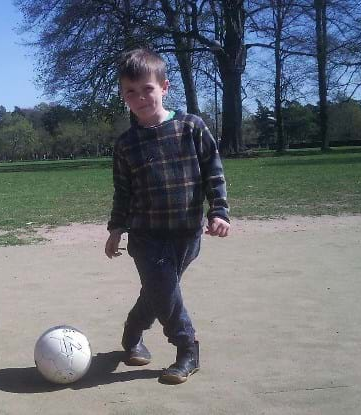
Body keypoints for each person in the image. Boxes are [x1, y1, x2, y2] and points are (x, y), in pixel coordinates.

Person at [104, 48, 230, 384]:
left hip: (187, 233)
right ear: (123, 96)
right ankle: (187, 349)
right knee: (164, 287)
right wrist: (116, 228)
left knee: (160, 290)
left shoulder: (191, 127)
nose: (140, 97)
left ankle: (132, 334)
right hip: (146, 236)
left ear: (164, 87)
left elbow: (213, 174)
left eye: (146, 88)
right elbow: (123, 192)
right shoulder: (126, 144)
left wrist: (219, 211)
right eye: (130, 92)